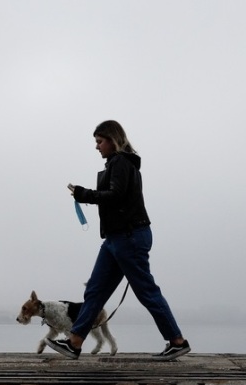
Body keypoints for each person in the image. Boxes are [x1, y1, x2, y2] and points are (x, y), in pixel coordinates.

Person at [47, 120, 191, 361]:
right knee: (95, 291)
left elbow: (115, 195)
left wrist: (84, 194)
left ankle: (177, 341)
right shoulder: (117, 163)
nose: (97, 147)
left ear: (113, 140)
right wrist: (86, 195)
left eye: (100, 141)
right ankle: (75, 342)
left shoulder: (122, 162)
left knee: (146, 291)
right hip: (116, 238)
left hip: (129, 236)